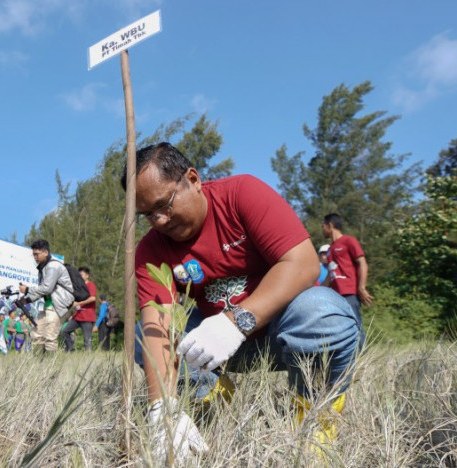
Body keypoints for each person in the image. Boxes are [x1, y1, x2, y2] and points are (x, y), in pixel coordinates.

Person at [123, 142, 361, 460]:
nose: (160, 220)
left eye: (164, 204)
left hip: (282, 334)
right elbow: (157, 324)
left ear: (192, 179)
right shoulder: (152, 250)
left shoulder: (241, 195)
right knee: (144, 335)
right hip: (218, 350)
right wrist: (161, 407)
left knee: (323, 313)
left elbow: (303, 264)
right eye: (147, 214)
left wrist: (236, 321)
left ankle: (315, 415)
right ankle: (209, 399)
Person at [19, 239, 74, 353]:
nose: (35, 257)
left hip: (59, 305)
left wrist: (28, 289)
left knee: (50, 337)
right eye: (33, 254)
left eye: (37, 254)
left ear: (45, 252)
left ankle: (50, 367)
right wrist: (27, 299)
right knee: (36, 334)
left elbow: (47, 288)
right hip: (48, 306)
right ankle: (39, 364)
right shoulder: (42, 268)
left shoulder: (53, 266)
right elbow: (41, 291)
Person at [321, 213, 373, 328]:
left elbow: (362, 263)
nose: (322, 229)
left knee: (354, 325)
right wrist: (318, 291)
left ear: (330, 225)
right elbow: (330, 274)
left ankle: (361, 347)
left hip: (349, 293)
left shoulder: (349, 241)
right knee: (339, 328)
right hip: (335, 295)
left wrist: (361, 287)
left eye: (323, 226)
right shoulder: (330, 249)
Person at [62, 267, 97, 351]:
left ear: (87, 276)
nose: (79, 276)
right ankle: (71, 349)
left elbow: (93, 298)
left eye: (81, 274)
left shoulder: (90, 285)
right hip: (77, 316)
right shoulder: (78, 286)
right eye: (78, 275)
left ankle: (88, 357)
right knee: (65, 332)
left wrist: (79, 303)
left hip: (87, 317)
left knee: (87, 339)